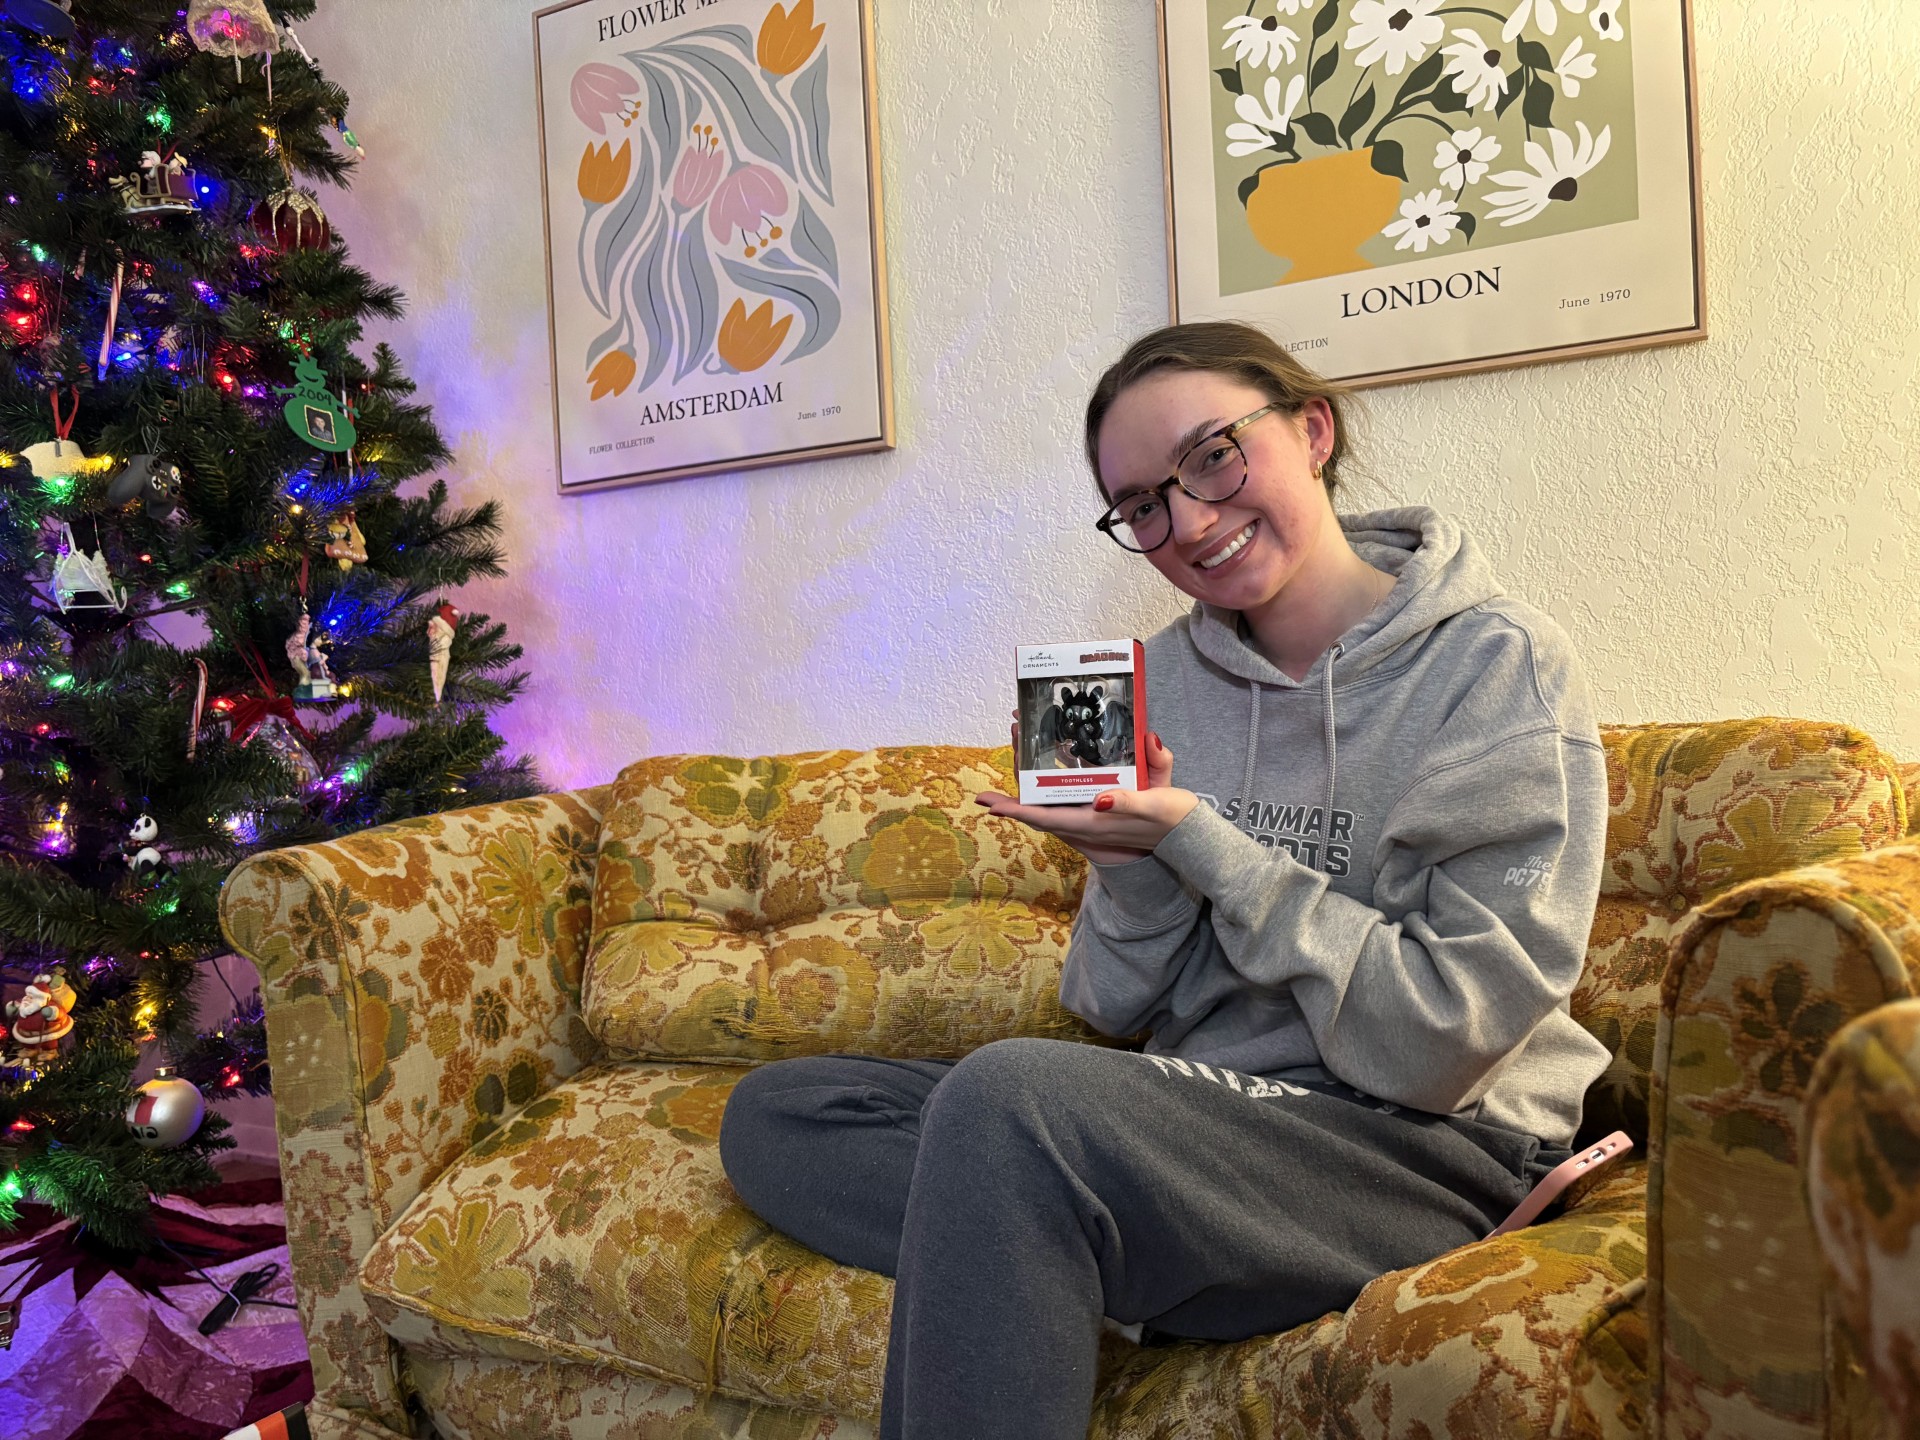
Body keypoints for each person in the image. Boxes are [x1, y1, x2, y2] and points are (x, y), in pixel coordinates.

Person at [718, 321, 1612, 1439]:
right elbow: (1111, 1006)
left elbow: (1443, 1043)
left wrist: (1203, 840)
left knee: (1008, 1108)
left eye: (1212, 458)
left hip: (1425, 1147)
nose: (1187, 522)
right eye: (1142, 504)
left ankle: (1064, 1234)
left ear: (1313, 431)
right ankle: (1077, 1242)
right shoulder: (1167, 679)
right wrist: (1128, 867)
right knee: (785, 1114)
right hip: (1211, 1126)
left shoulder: (1496, 668)